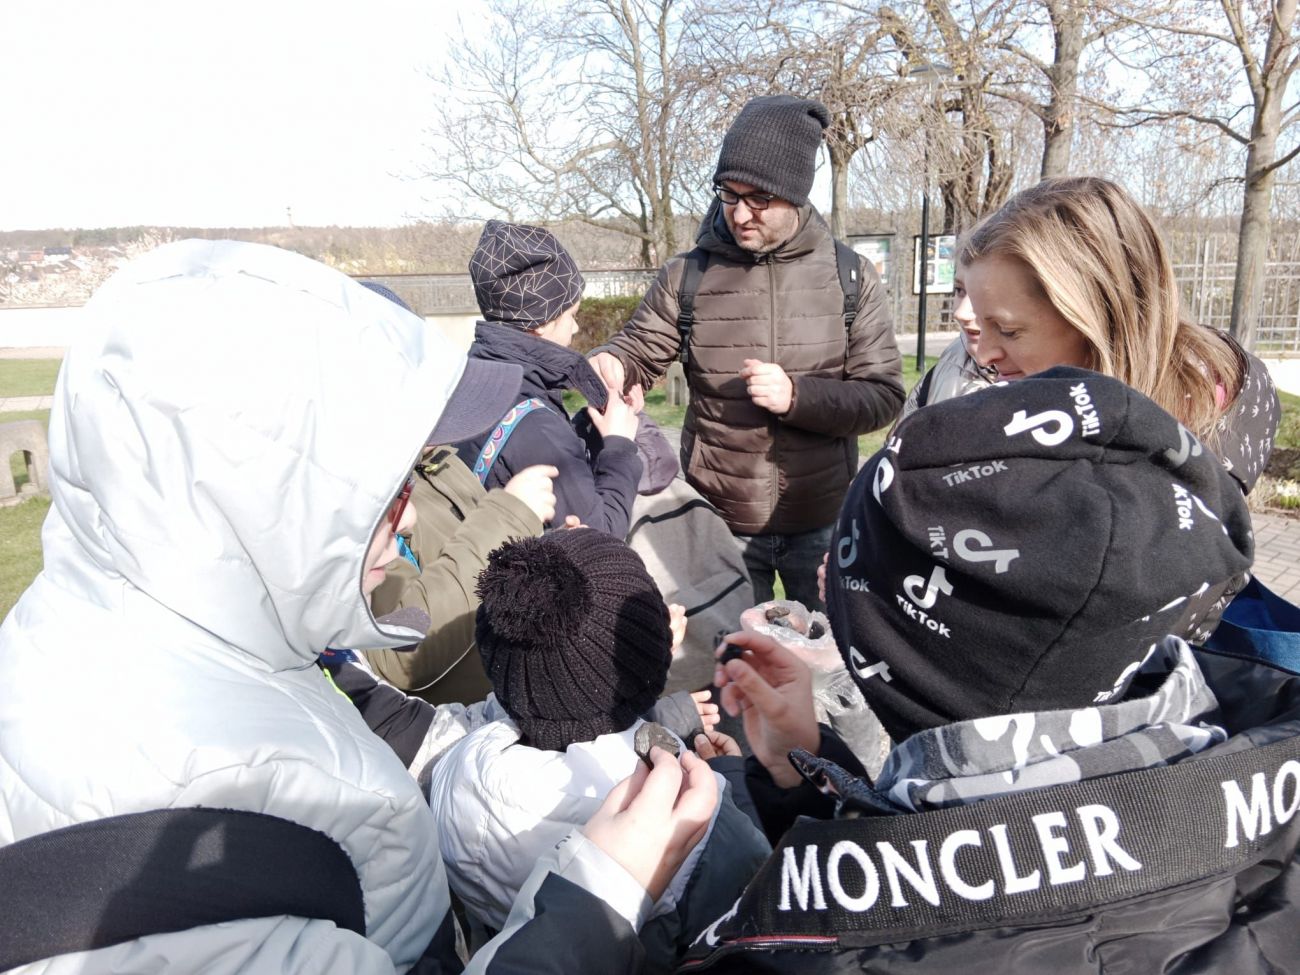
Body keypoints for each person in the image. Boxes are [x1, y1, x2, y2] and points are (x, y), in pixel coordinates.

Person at [0, 239, 716, 974]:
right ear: (266, 492)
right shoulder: (198, 805)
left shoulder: (201, 647)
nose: (411, 517)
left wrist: (580, 694)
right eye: (384, 489)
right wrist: (599, 893)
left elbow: (394, 723)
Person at [685, 369, 1300, 973]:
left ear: (901, 650)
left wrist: (660, 879)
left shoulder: (806, 951)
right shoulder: (1254, 749)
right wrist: (808, 767)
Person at [589, 95, 905, 609]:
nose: (739, 213)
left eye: (758, 198)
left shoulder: (850, 276)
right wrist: (613, 362)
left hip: (822, 521)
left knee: (823, 654)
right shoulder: (687, 275)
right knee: (731, 656)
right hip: (719, 522)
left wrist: (798, 397)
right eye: (729, 194)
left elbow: (883, 395)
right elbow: (639, 350)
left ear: (796, 195)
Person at [426, 528, 770, 972]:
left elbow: (564, 693)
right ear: (652, 661)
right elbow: (756, 901)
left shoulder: (454, 767)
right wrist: (733, 781)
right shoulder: (701, 822)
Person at [934, 176, 1279, 494]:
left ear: (1100, 320)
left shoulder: (1208, 430)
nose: (984, 355)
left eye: (1009, 331)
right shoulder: (1016, 392)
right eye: (983, 324)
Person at [454, 219, 643, 537]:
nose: (576, 328)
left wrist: (594, 427)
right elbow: (601, 541)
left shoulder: (475, 379)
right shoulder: (537, 429)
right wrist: (620, 445)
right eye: (571, 315)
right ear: (541, 322)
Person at [899, 271, 994, 418]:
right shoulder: (950, 361)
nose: (960, 313)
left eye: (984, 293)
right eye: (959, 290)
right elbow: (904, 429)